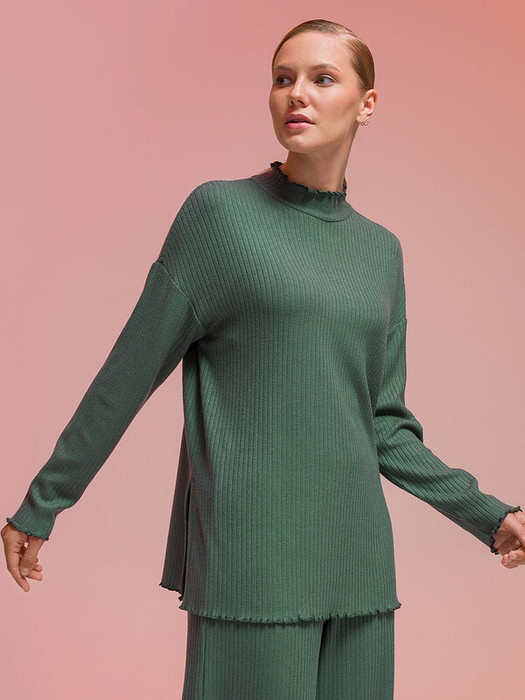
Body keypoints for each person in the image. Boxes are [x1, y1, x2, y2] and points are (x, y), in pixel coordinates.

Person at [3, 17, 525, 700]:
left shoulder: (380, 252)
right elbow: (129, 372)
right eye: (283, 78)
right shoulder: (219, 217)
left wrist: (489, 515)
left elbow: (383, 424)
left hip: (359, 569)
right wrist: (44, 503)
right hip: (252, 566)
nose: (296, 94)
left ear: (367, 103)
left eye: (321, 78)